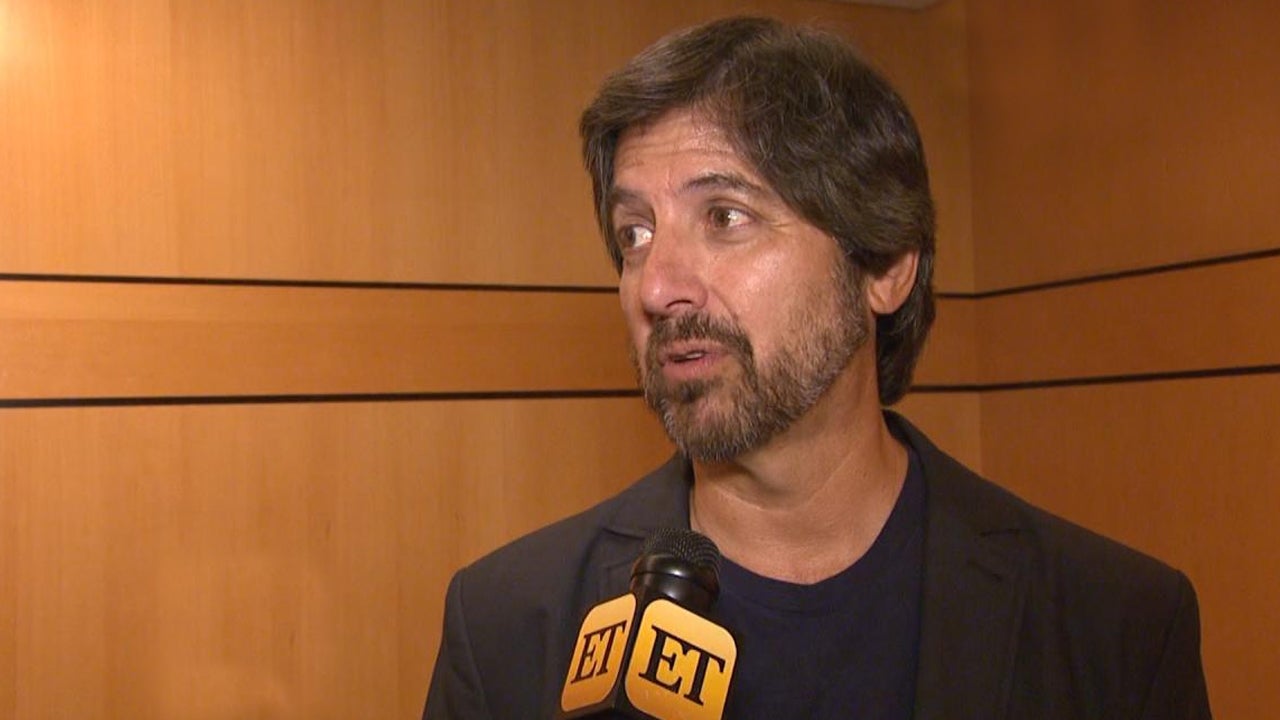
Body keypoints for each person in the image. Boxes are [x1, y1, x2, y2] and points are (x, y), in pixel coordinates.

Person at [423, 16, 1211, 719]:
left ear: (885, 266)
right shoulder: (508, 628)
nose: (657, 287)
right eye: (635, 233)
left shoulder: (1117, 626)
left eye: (725, 217)